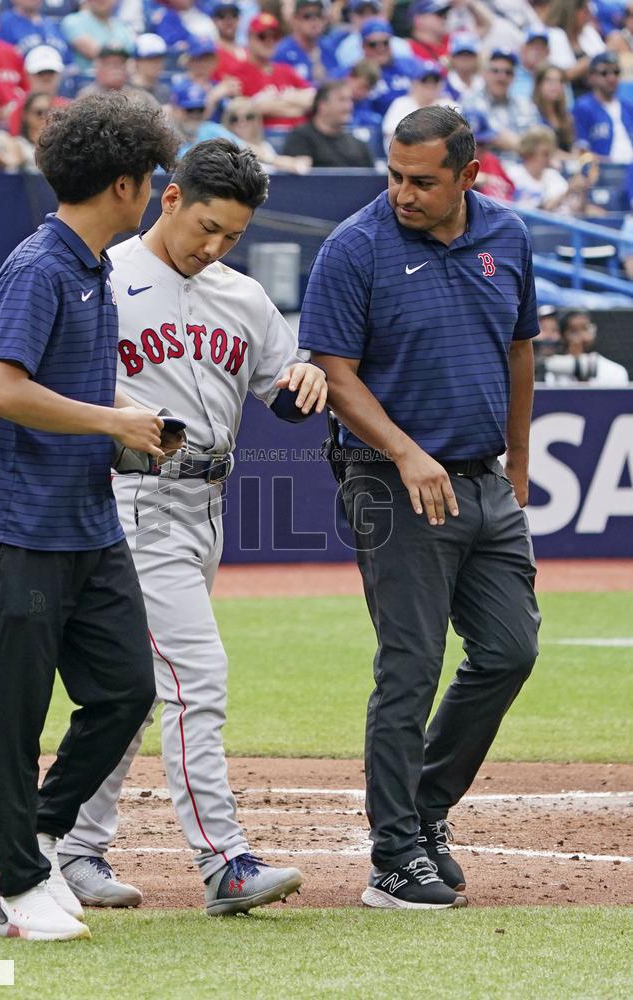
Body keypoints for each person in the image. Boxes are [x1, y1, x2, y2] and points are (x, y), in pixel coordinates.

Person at [57, 139, 326, 915]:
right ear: (168, 198)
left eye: (232, 235)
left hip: (206, 506)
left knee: (139, 689)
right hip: (132, 500)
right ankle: (223, 860)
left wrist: (304, 377)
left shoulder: (241, 296)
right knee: (196, 675)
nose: (214, 246)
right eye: (206, 225)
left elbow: (286, 390)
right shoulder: (104, 281)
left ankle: (75, 847)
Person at [298, 105, 541, 910]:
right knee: (411, 665)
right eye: (395, 176)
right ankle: (392, 858)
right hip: (387, 480)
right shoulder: (354, 248)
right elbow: (332, 371)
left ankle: (424, 810)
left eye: (423, 181)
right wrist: (406, 453)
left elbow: (519, 348)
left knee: (510, 652)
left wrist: (521, 461)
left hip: (482, 479)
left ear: (469, 176)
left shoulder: (507, 236)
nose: (402, 192)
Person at [0, 92, 180, 942]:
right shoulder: (39, 266)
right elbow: (1, 389)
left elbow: (68, 386)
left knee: (127, 691)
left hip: (88, 524)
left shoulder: (92, 268)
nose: (154, 189)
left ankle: (40, 838)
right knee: (13, 719)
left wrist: (133, 416)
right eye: (151, 177)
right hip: (21, 527)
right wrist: (111, 421)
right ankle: (17, 890)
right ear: (125, 185)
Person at [220, 12, 315, 129]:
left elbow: (312, 100)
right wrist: (295, 103)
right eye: (262, 36)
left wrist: (275, 101)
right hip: (261, 139)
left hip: (297, 137)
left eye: (274, 36)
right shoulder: (236, 73)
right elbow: (245, 111)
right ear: (249, 38)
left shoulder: (286, 70)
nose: (269, 41)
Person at [282, 78, 375, 167]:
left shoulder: (358, 145)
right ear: (322, 105)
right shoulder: (300, 138)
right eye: (342, 100)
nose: (349, 106)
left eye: (350, 100)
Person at [463, 48, 541, 152]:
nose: (502, 77)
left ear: (514, 77)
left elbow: (537, 140)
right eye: (495, 71)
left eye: (508, 72)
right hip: (486, 164)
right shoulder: (470, 102)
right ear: (484, 74)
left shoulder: (525, 105)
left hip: (522, 164)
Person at [222, 95, 311, 171]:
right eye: (234, 119)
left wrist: (295, 163)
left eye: (248, 117)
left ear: (257, 121)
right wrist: (281, 161)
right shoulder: (225, 147)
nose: (242, 123)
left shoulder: (265, 147)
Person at [573, 51, 633, 162]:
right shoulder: (583, 108)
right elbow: (581, 151)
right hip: (605, 171)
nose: (612, 78)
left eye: (616, 72)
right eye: (604, 73)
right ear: (591, 77)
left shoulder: (628, 107)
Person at [382, 59, 450, 151]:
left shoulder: (448, 105)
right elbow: (392, 136)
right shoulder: (400, 104)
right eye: (425, 80)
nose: (430, 85)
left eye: (435, 81)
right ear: (414, 83)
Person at [552, 309, 629, 384]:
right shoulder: (553, 371)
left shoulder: (615, 372)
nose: (582, 336)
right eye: (573, 331)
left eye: (585, 328)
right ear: (562, 336)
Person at [61, 0, 136, 76]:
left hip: (121, 82)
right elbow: (97, 53)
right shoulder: (73, 21)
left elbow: (132, 57)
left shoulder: (121, 26)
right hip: (86, 81)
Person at [273, 0, 331, 84]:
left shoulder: (328, 47)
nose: (314, 21)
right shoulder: (281, 52)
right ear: (295, 19)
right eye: (307, 16)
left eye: (318, 15)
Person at [532, 63, 576, 153]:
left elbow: (574, 147)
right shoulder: (532, 113)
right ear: (539, 85)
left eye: (559, 81)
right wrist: (570, 158)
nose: (555, 86)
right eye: (549, 81)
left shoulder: (567, 117)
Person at [130, 33, 170, 104]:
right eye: (150, 60)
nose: (156, 64)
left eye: (159, 59)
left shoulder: (165, 91)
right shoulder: (125, 90)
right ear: (137, 62)